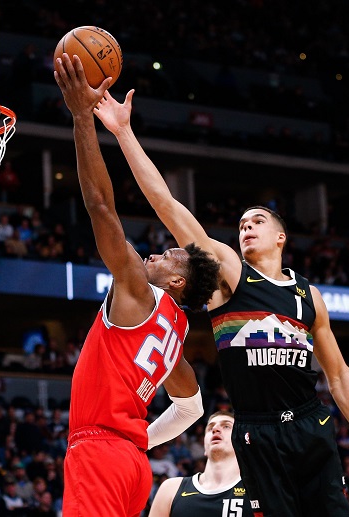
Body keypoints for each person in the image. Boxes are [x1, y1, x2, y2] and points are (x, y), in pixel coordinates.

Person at [93, 88, 349, 517]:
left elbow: (338, 375)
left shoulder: (309, 296)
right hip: (256, 432)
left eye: (258, 222)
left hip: (309, 423)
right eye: (243, 223)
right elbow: (168, 206)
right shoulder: (230, 274)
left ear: (280, 237)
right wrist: (124, 132)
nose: (247, 227)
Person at [53, 53, 220, 517]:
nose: (153, 254)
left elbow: (100, 207)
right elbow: (192, 407)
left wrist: (82, 117)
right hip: (132, 464)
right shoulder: (176, 335)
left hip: (102, 452)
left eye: (167, 255)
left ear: (179, 280)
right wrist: (142, 438)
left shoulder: (139, 294)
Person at [149, 411, 253, 517]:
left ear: (241, 442)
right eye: (210, 428)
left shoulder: (257, 490)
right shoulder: (170, 489)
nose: (215, 429)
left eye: (226, 426)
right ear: (204, 447)